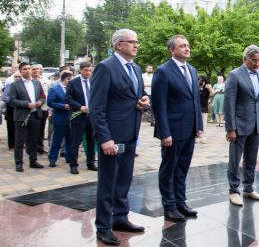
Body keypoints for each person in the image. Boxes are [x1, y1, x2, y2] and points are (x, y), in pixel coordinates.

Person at [90, 29, 149, 246]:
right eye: (131, 42)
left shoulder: (134, 68)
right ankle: (103, 227)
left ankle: (120, 218)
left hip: (131, 133)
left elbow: (135, 95)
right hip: (112, 137)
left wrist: (143, 101)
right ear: (118, 45)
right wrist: (104, 138)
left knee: (124, 179)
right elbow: (97, 107)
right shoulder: (105, 68)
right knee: (108, 183)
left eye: (137, 42)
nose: (136, 45)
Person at [152, 35, 203, 222]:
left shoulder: (191, 69)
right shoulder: (163, 72)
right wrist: (164, 132)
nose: (187, 49)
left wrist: (199, 126)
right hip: (172, 132)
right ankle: (170, 206)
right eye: (182, 46)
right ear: (172, 50)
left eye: (188, 46)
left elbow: (195, 100)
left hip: (189, 130)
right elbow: (159, 105)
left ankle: (181, 202)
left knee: (182, 168)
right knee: (169, 169)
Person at [225, 45, 259, 207]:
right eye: (254, 60)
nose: (257, 64)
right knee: (235, 160)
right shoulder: (234, 75)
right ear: (245, 59)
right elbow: (229, 103)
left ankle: (249, 188)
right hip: (239, 125)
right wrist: (230, 128)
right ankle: (233, 191)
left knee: (251, 159)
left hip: (256, 126)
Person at [9, 62, 45, 172]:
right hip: (22, 116)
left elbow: (43, 96)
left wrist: (40, 102)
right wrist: (26, 104)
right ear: (20, 71)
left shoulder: (37, 83)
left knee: (33, 139)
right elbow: (11, 100)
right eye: (25, 69)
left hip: (35, 115)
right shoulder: (15, 85)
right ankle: (19, 163)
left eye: (29, 68)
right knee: (19, 141)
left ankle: (33, 160)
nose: (28, 70)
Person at [66, 61, 97, 174]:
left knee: (91, 140)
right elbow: (68, 98)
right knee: (76, 141)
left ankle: (91, 162)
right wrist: (80, 107)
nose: (88, 72)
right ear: (81, 70)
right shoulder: (73, 83)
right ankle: (73, 164)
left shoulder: (93, 82)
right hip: (78, 116)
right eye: (86, 70)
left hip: (91, 116)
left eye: (90, 70)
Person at [47, 71, 73, 167]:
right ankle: (52, 159)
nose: (71, 81)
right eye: (70, 79)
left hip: (71, 118)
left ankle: (69, 157)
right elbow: (50, 102)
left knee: (70, 139)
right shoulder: (55, 88)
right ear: (65, 79)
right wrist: (63, 106)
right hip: (60, 117)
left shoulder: (71, 88)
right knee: (57, 140)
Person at [31, 64, 50, 155]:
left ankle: (40, 147)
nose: (35, 71)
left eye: (37, 69)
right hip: (33, 108)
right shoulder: (29, 81)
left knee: (41, 129)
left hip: (44, 107)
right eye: (33, 69)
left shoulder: (45, 80)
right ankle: (32, 148)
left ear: (40, 70)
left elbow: (49, 94)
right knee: (33, 129)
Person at [198, 76, 213, 143]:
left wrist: (210, 88)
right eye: (199, 81)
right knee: (196, 122)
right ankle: (196, 135)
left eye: (202, 81)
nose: (200, 82)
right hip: (196, 107)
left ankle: (202, 136)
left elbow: (212, 94)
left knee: (203, 122)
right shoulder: (196, 87)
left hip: (204, 107)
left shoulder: (207, 88)